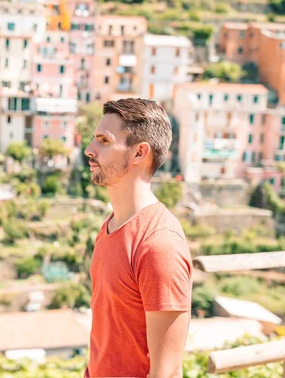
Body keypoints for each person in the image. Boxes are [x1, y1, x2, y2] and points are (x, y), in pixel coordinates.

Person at [83, 98, 192, 378]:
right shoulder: (109, 227)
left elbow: (166, 372)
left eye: (104, 141)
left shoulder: (159, 243)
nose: (89, 150)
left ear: (139, 153)